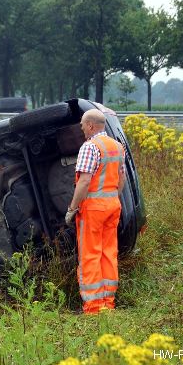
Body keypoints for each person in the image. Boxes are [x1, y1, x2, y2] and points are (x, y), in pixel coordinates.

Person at [65, 109, 125, 315]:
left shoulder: (89, 147)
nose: (81, 128)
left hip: (93, 209)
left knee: (90, 254)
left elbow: (83, 181)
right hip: (112, 206)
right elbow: (121, 178)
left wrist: (72, 208)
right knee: (108, 252)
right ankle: (108, 301)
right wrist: (113, 198)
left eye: (82, 125)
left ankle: (93, 306)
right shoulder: (117, 146)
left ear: (90, 125)